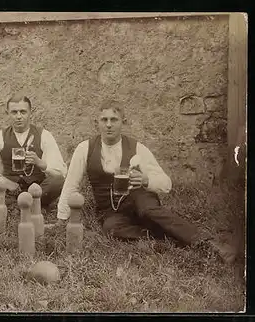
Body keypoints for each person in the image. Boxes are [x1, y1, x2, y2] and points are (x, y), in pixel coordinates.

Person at [55, 99, 236, 263]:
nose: (109, 125)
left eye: (114, 120)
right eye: (104, 120)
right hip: (111, 210)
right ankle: (172, 237)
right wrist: (62, 218)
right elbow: (72, 183)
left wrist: (145, 179)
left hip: (139, 199)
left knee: (150, 210)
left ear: (123, 123)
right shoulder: (85, 148)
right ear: (97, 123)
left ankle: (209, 243)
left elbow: (166, 183)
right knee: (111, 229)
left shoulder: (137, 148)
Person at [0, 95, 67, 209]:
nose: (19, 116)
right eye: (14, 112)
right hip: (9, 190)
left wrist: (40, 163)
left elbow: (60, 171)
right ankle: (24, 205)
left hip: (36, 187)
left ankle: (16, 205)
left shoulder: (44, 135)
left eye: (23, 112)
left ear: (30, 113)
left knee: (58, 181)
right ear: (8, 114)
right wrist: (0, 178)